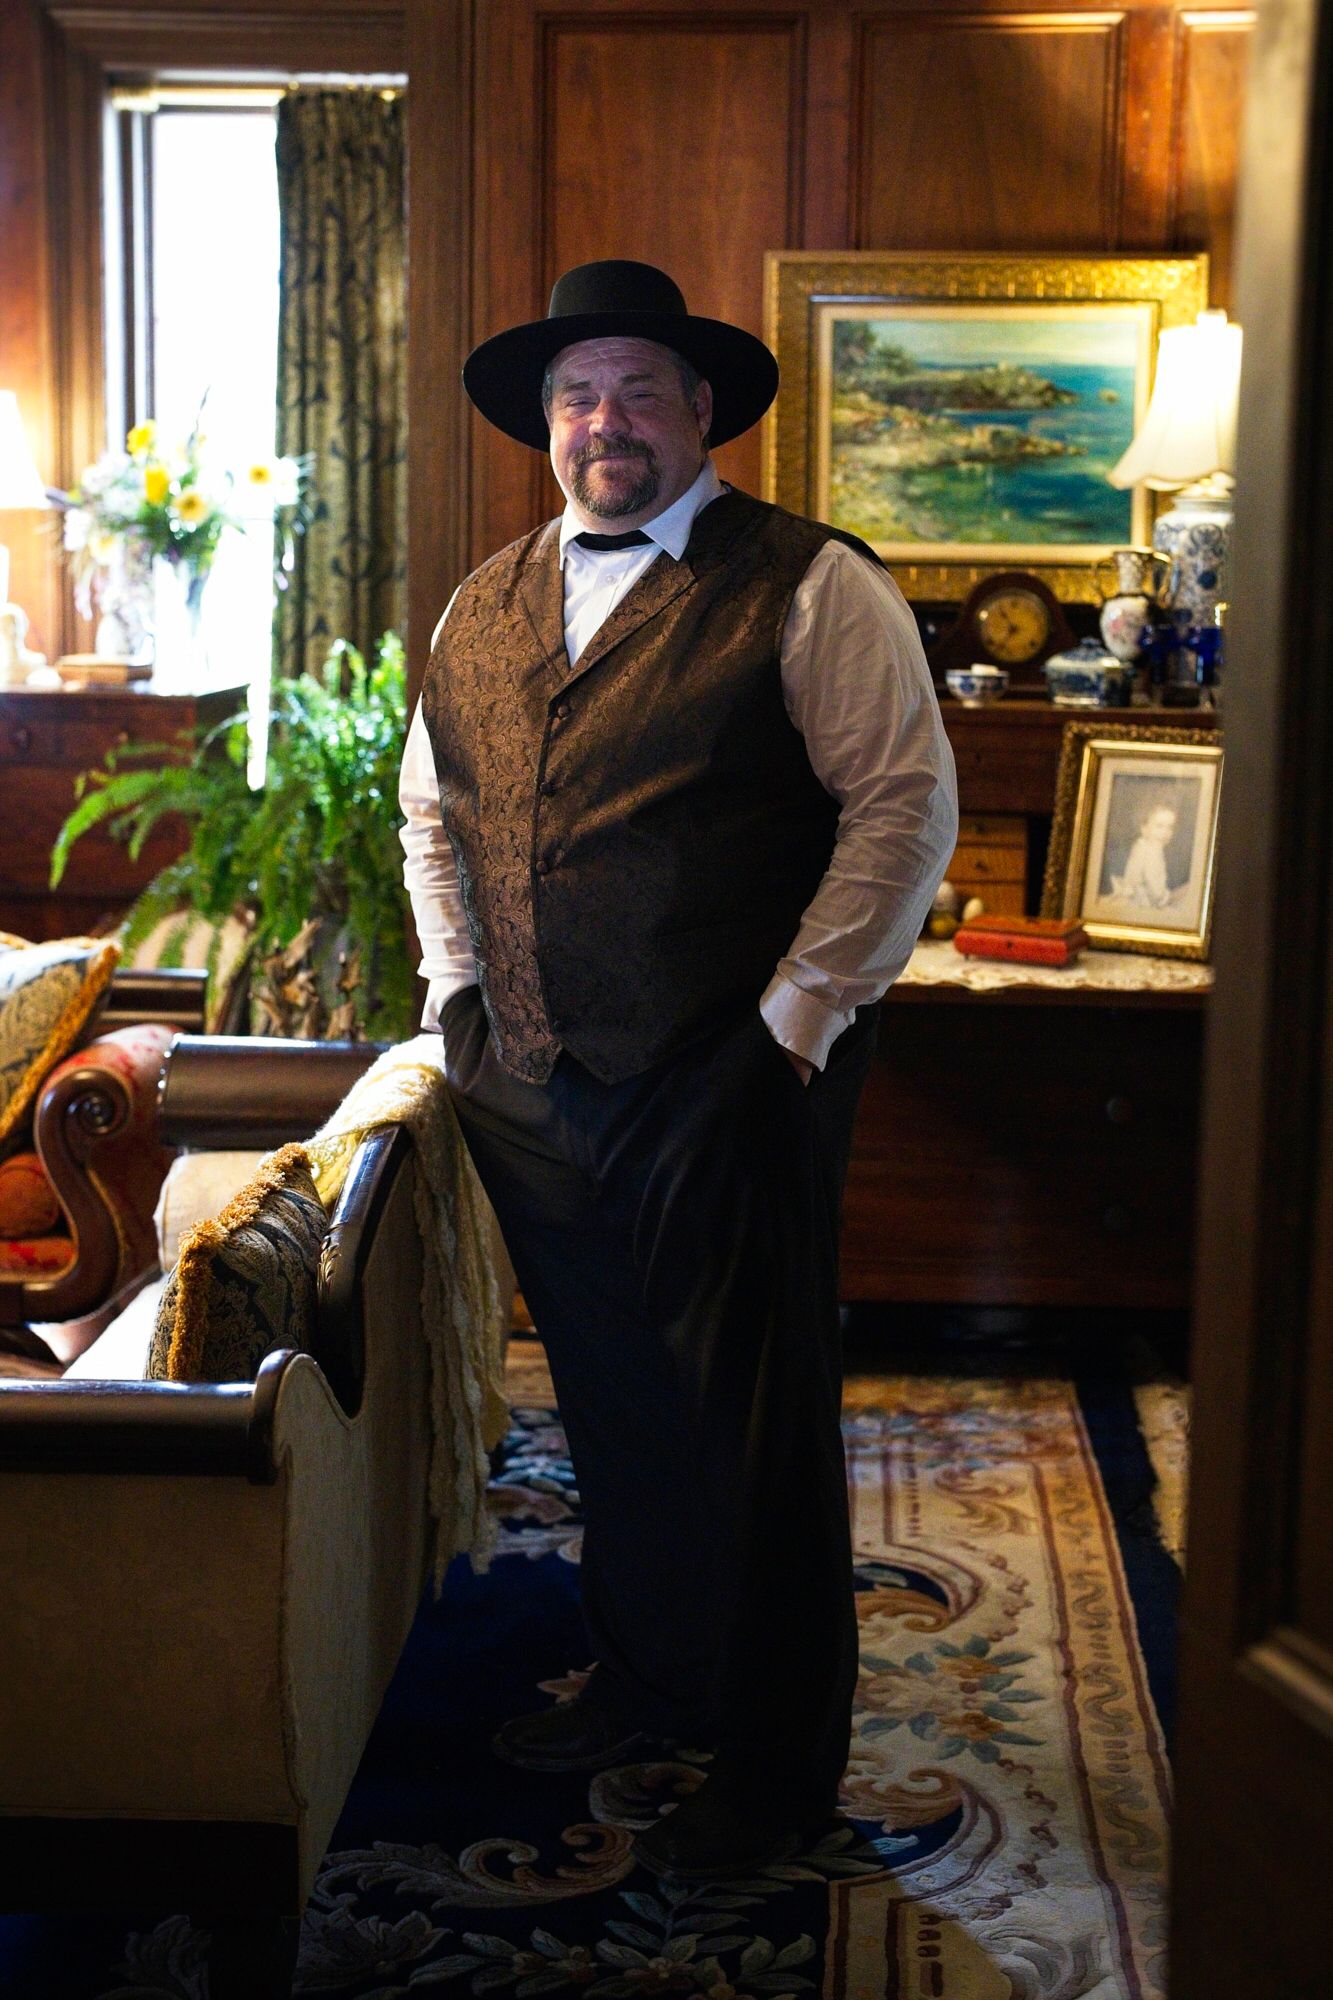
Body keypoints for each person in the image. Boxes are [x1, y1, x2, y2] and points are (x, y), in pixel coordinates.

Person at [399, 259, 958, 1881]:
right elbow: (433, 813)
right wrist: (455, 997)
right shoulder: (482, 601)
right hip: (532, 1079)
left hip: (728, 1076)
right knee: (613, 1406)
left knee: (754, 1430)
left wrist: (790, 1028)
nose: (605, 423)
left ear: (701, 411)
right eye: (578, 396)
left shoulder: (806, 582)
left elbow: (898, 809)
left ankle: (776, 1765)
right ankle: (647, 1677)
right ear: (543, 426)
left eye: (638, 390)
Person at [1111, 798, 1179, 908]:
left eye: (1170, 827)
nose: (1165, 832)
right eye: (1159, 826)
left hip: (1138, 893)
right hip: (1142, 899)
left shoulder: (1141, 844)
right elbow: (1153, 884)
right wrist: (1165, 897)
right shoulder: (1153, 851)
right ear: (1144, 828)